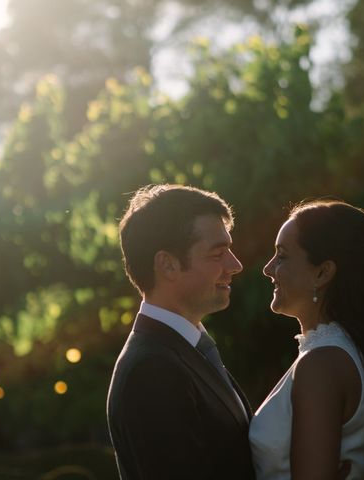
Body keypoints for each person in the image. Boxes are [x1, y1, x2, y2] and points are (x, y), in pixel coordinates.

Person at [249, 200, 364, 480]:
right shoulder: (332, 353)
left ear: (323, 273)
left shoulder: (322, 364)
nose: (268, 268)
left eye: (282, 255)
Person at [107, 184, 255, 480]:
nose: (235, 265)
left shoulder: (184, 351)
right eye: (217, 254)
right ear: (168, 265)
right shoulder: (151, 371)